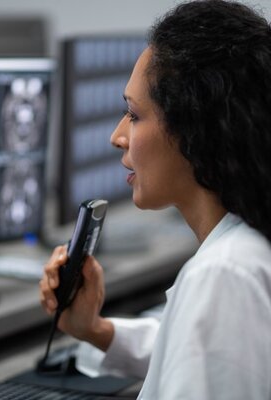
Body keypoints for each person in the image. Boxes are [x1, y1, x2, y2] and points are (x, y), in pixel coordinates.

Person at [40, 0, 271, 398]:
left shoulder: (224, 274)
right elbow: (206, 352)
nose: (117, 136)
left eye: (134, 115)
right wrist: (95, 330)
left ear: (196, 128)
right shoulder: (245, 247)